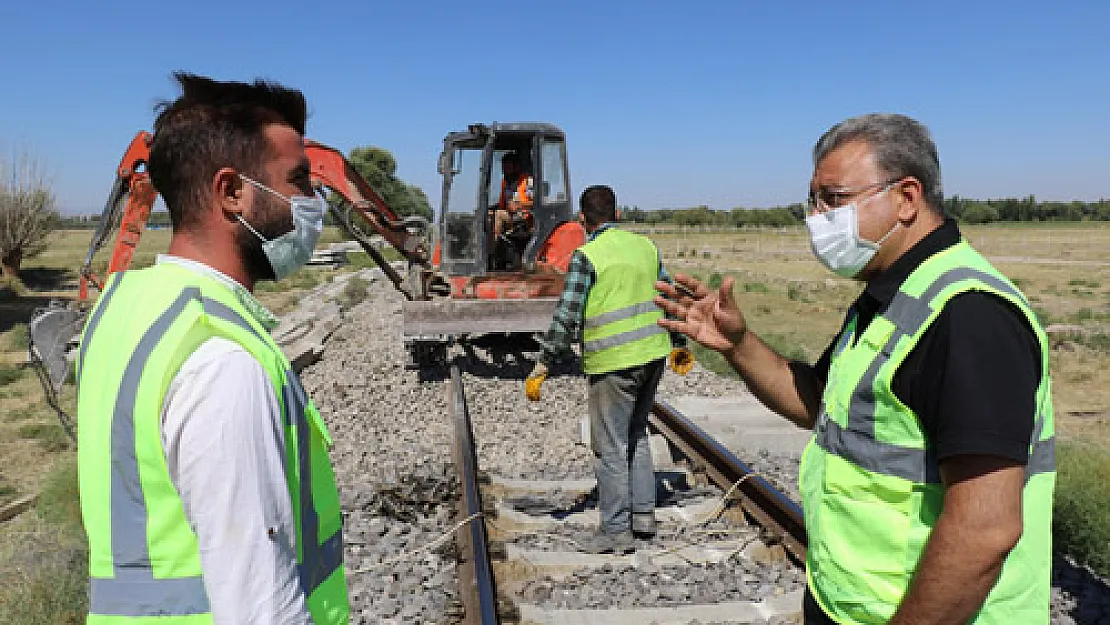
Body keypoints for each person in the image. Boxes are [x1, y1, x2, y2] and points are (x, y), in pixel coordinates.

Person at [655, 113, 1055, 624]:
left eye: (833, 199)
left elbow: (985, 527)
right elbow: (820, 404)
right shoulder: (892, 296)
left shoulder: (967, 314)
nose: (816, 217)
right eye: (813, 201)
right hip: (852, 606)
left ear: (906, 198)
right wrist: (737, 345)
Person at [76, 72, 350, 624]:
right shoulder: (222, 360)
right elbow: (258, 603)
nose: (311, 202)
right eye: (297, 181)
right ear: (232, 192)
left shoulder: (128, 308)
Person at [525, 184, 696, 554]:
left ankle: (616, 531)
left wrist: (544, 363)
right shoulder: (646, 247)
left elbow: (567, 314)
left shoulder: (587, 255)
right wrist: (679, 346)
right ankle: (644, 517)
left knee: (610, 446)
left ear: (582, 219)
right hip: (652, 356)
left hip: (613, 363)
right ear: (617, 214)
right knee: (636, 434)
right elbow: (668, 295)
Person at [490, 152, 534, 265]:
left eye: (508, 167)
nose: (505, 170)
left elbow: (537, 203)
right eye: (503, 167)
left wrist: (519, 205)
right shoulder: (505, 182)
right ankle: (498, 251)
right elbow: (502, 204)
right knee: (491, 215)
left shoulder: (527, 181)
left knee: (499, 215)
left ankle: (493, 252)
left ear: (516, 167)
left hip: (525, 218)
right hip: (511, 217)